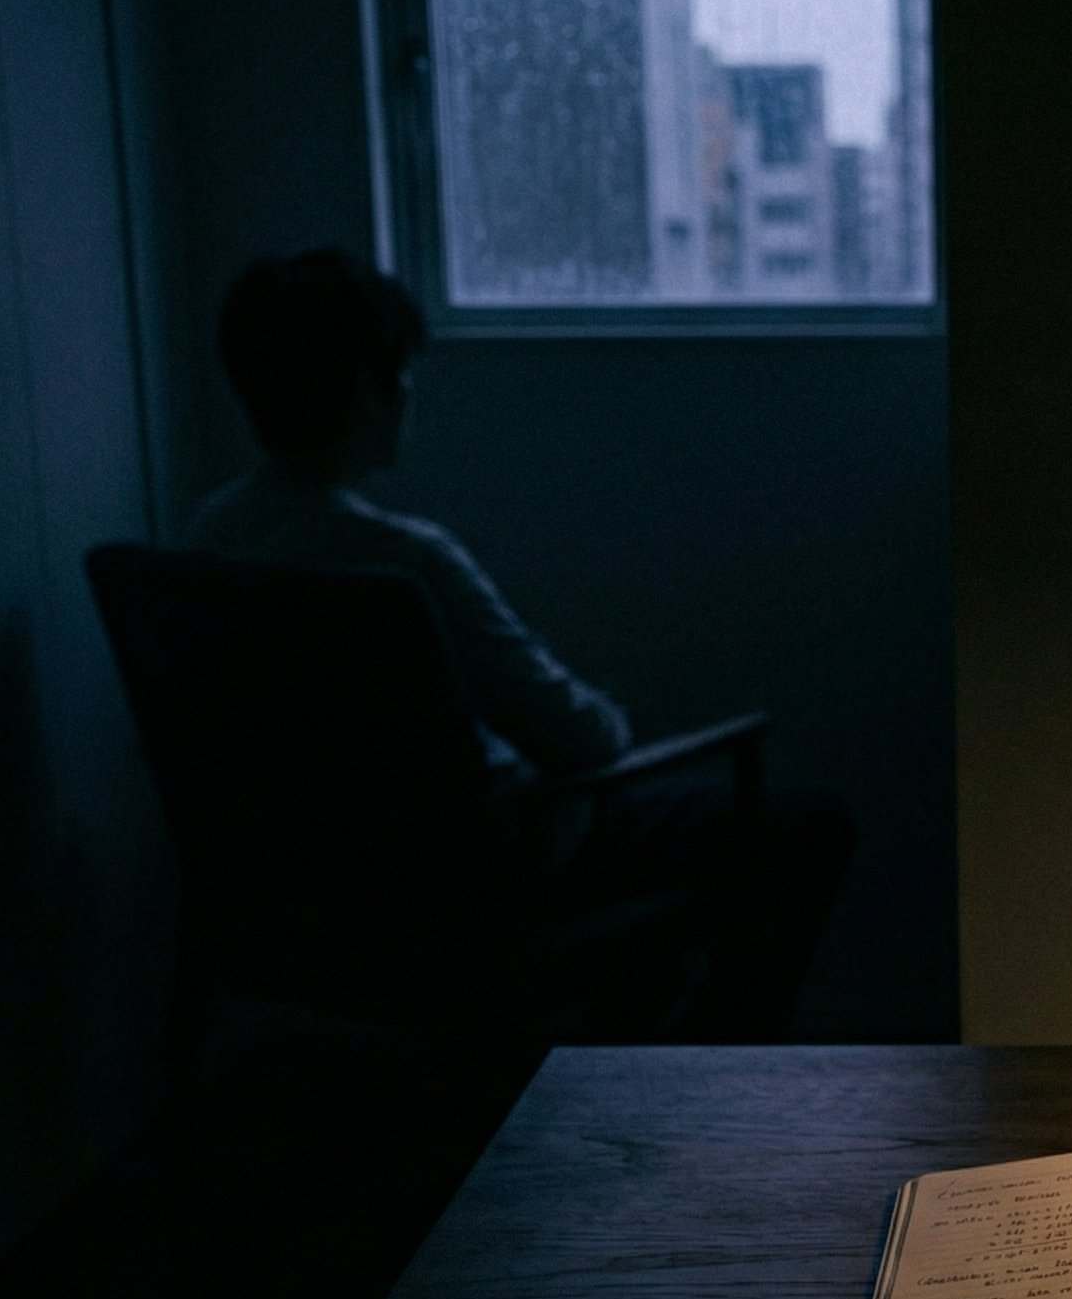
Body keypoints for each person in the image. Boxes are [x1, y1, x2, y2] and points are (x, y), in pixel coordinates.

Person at [185, 247, 850, 1039]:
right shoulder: (406, 564)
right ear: (371, 388)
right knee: (808, 827)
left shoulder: (206, 544)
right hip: (488, 882)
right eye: (401, 373)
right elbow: (584, 740)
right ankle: (697, 1072)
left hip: (305, 900)